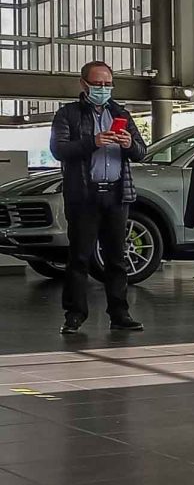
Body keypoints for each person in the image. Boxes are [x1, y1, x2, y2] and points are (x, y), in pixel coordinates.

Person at [49, 61, 146, 335]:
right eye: (97, 84)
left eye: (107, 84)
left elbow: (142, 152)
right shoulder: (68, 114)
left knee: (116, 257)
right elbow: (59, 149)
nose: (103, 88)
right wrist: (93, 141)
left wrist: (129, 144)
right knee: (80, 257)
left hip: (116, 194)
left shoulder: (121, 113)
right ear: (83, 84)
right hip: (84, 196)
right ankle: (75, 314)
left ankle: (120, 313)